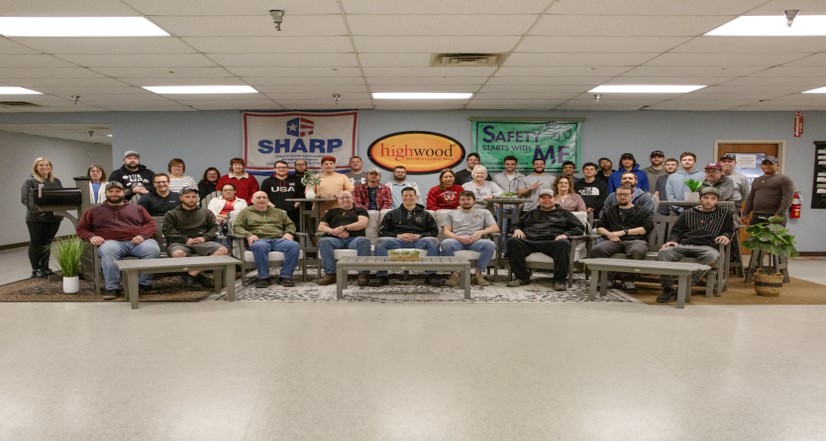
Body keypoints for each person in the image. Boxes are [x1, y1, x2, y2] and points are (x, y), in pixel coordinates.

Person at [76, 181, 160, 300]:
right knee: (108, 251)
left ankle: (143, 284)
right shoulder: (93, 211)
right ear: (106, 193)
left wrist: (142, 235)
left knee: (152, 249)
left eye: (117, 191)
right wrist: (91, 237)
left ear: (124, 193)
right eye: (111, 191)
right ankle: (112, 288)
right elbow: (81, 229)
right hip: (111, 242)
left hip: (138, 241)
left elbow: (150, 224)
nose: (114, 194)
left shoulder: (137, 209)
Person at [656, 187, 733, 303]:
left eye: (713, 198)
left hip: (707, 247)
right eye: (705, 198)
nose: (709, 201)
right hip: (684, 245)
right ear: (699, 199)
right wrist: (673, 240)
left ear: (717, 200)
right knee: (664, 252)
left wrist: (726, 236)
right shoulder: (687, 213)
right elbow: (677, 231)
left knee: (712, 256)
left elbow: (728, 230)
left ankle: (685, 286)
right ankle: (668, 289)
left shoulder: (725, 213)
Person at [505, 189, 585, 290]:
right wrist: (517, 229)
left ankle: (559, 280)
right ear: (539, 200)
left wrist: (566, 234)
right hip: (530, 241)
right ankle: (522, 278)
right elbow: (515, 224)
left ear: (555, 199)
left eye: (549, 198)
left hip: (552, 242)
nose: (546, 200)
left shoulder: (565, 213)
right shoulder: (530, 213)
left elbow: (579, 227)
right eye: (543, 198)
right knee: (513, 241)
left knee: (564, 243)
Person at [371, 187, 442, 287]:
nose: (408, 197)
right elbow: (382, 231)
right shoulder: (392, 214)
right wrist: (398, 236)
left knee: (433, 241)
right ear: (401, 197)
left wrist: (419, 236)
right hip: (397, 242)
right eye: (405, 195)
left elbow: (434, 232)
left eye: (411, 195)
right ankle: (381, 276)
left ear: (416, 197)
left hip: (419, 241)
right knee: (380, 242)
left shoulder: (425, 214)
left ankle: (431, 276)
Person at [163, 186, 229, 290]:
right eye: (187, 197)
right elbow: (168, 231)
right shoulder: (171, 213)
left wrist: (205, 238)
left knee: (223, 250)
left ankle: (191, 274)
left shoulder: (206, 212)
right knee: (177, 254)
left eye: (194, 197)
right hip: (180, 243)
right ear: (181, 198)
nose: (191, 199)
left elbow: (215, 228)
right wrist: (185, 240)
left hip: (202, 242)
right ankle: (200, 277)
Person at [232, 191, 300, 288]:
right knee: (260, 246)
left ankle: (285, 276)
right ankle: (263, 278)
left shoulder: (278, 212)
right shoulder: (245, 212)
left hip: (278, 239)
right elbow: (237, 227)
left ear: (268, 200)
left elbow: (290, 224)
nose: (262, 200)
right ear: (252, 200)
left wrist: (288, 232)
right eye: (258, 198)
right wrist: (248, 235)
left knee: (294, 245)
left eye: (264, 197)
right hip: (259, 239)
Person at [590, 186, 654, 289]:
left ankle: (628, 280)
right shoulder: (609, 211)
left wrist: (623, 232)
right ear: (616, 196)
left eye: (625, 194)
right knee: (597, 249)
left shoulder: (642, 211)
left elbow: (646, 228)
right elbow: (599, 227)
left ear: (631, 195)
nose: (622, 197)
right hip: (613, 241)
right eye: (619, 195)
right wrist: (609, 234)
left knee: (636, 251)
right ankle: (606, 279)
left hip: (636, 240)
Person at [440, 191, 499, 287]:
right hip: (458, 240)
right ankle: (454, 275)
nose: (466, 202)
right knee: (446, 244)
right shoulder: (451, 214)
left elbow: (495, 228)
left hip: (476, 241)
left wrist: (480, 232)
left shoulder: (484, 212)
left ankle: (477, 274)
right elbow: (446, 232)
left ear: (474, 201)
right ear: (459, 201)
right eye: (463, 199)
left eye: (468, 199)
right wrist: (458, 238)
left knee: (490, 244)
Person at [315, 190, 371, 286]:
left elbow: (362, 224)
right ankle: (331, 274)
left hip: (354, 239)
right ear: (338, 200)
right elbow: (321, 227)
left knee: (364, 241)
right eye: (342, 198)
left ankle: (363, 274)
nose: (345, 200)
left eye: (347, 197)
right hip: (335, 239)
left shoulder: (360, 211)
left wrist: (344, 228)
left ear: (353, 199)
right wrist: (334, 232)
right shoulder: (331, 212)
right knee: (324, 241)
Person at [21, 157, 64, 278]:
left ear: (50, 167)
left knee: (47, 243)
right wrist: (40, 212)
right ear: (36, 167)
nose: (44, 167)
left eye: (47, 165)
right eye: (41, 165)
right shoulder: (30, 181)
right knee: (36, 243)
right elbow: (26, 200)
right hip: (36, 219)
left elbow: (62, 197)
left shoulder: (56, 181)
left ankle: (45, 268)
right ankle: (36, 269)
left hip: (54, 218)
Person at [742, 155, 795, 226]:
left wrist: (779, 214)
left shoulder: (784, 179)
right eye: (765, 164)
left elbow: (788, 198)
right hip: (756, 216)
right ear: (761, 166)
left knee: (774, 234)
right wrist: (745, 213)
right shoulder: (757, 180)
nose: (767, 166)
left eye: (771, 164)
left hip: (775, 216)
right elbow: (750, 198)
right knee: (755, 234)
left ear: (777, 165)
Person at [261, 160, 304, 227]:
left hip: (293, 214)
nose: (281, 169)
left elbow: (301, 197)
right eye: (279, 167)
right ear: (274, 169)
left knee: (293, 231)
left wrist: (293, 207)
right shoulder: (267, 182)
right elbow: (263, 197)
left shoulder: (296, 181)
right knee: (275, 231)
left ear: (288, 168)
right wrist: (274, 207)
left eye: (284, 167)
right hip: (273, 213)